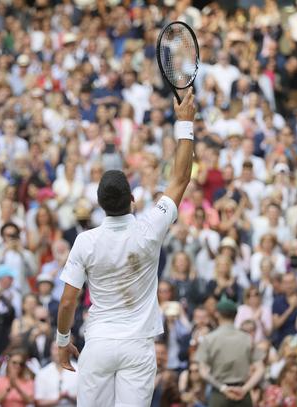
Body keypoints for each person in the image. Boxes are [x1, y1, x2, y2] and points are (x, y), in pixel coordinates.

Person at [56, 90, 197, 406]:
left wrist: (63, 340)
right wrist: (185, 123)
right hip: (137, 347)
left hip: (99, 346)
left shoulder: (85, 241)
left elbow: (67, 303)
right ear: (132, 199)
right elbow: (181, 178)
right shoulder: (150, 226)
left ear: (100, 204)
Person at [194, 297, 264, 406]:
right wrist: (245, 389)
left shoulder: (209, 339)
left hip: (219, 394)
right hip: (242, 394)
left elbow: (203, 371)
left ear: (217, 314)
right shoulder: (247, 338)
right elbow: (260, 369)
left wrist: (223, 388)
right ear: (235, 315)